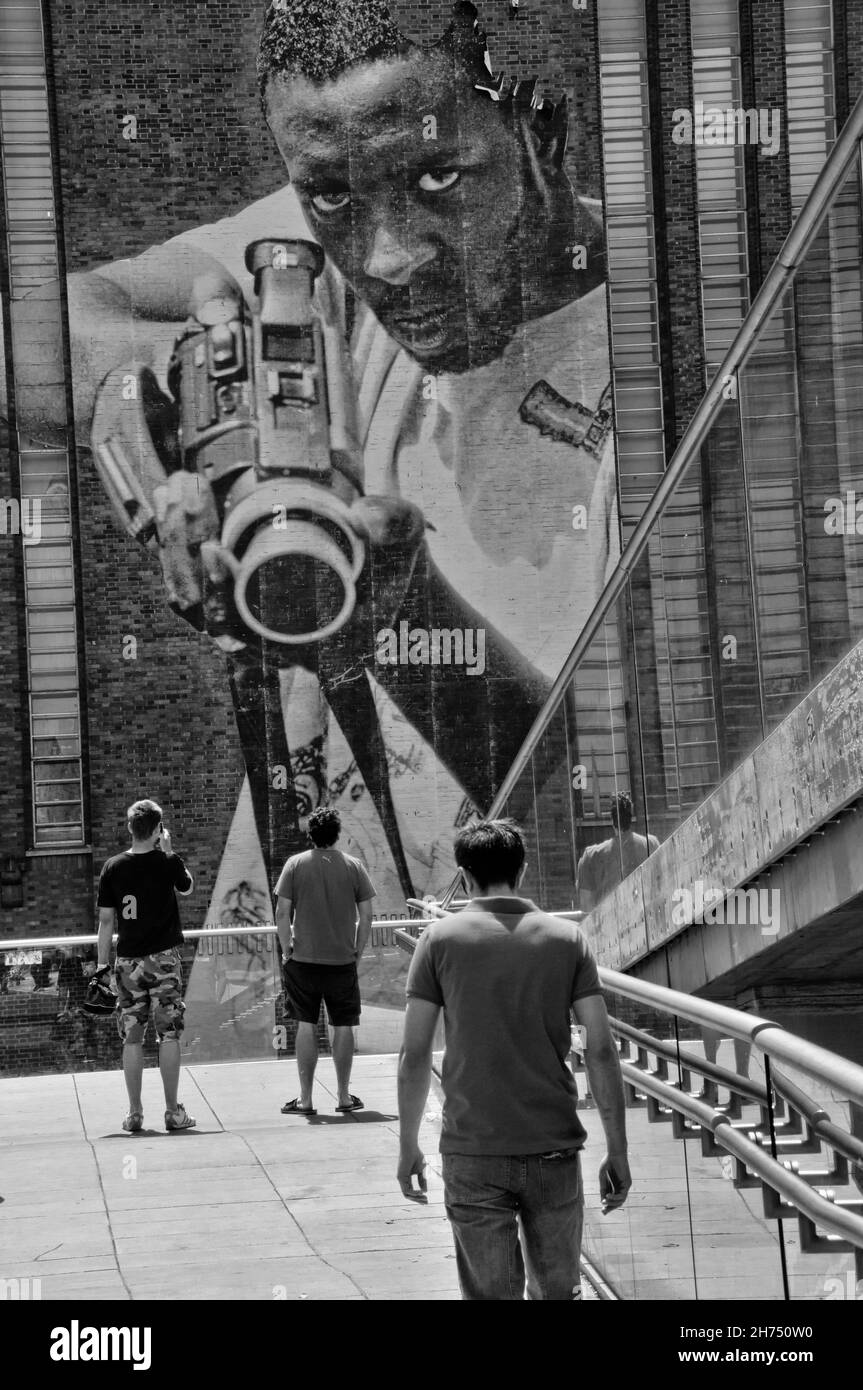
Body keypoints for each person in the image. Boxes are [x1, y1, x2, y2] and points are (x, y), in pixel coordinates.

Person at [63, 0, 621, 914]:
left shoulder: (682, 354)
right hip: (293, 1010)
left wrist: (397, 623)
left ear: (539, 129)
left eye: (442, 178)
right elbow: (48, 333)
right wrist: (161, 384)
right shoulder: (344, 206)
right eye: (330, 199)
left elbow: (611, 812)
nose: (389, 256)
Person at [397, 818, 631, 1301]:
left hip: (472, 1149)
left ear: (464, 875)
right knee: (557, 1292)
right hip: (553, 1146)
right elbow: (603, 1049)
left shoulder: (438, 942)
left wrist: (408, 1145)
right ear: (522, 871)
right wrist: (618, 1148)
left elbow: (415, 1053)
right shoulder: (567, 940)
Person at [96, 798, 196, 1132]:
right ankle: (172, 1111)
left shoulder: (112, 867)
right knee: (169, 1034)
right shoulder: (167, 861)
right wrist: (168, 851)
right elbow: (188, 887)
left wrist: (101, 965)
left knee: (132, 1038)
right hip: (164, 958)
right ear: (156, 830)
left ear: (129, 828)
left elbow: (106, 923)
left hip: (127, 962)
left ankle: (135, 1113)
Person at [274, 805, 376, 1114]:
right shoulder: (354, 866)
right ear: (337, 834)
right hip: (342, 960)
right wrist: (357, 950)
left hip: (302, 959)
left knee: (305, 1024)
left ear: (311, 834)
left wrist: (286, 949)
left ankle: (306, 1099)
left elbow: (282, 912)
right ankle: (344, 1097)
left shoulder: (295, 864)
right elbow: (367, 915)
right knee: (342, 1026)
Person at [575, 791, 659, 912]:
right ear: (631, 817)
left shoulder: (591, 856)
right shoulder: (651, 845)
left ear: (612, 819)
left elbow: (586, 908)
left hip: (609, 925)